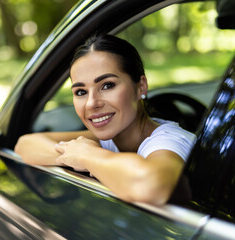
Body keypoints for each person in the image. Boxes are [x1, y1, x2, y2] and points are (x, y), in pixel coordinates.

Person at [15, 34, 196, 205]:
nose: (91, 104)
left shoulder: (171, 140)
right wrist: (75, 156)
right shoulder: (108, 140)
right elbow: (25, 144)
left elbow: (151, 185)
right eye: (81, 92)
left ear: (141, 86)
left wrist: (87, 156)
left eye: (107, 85)